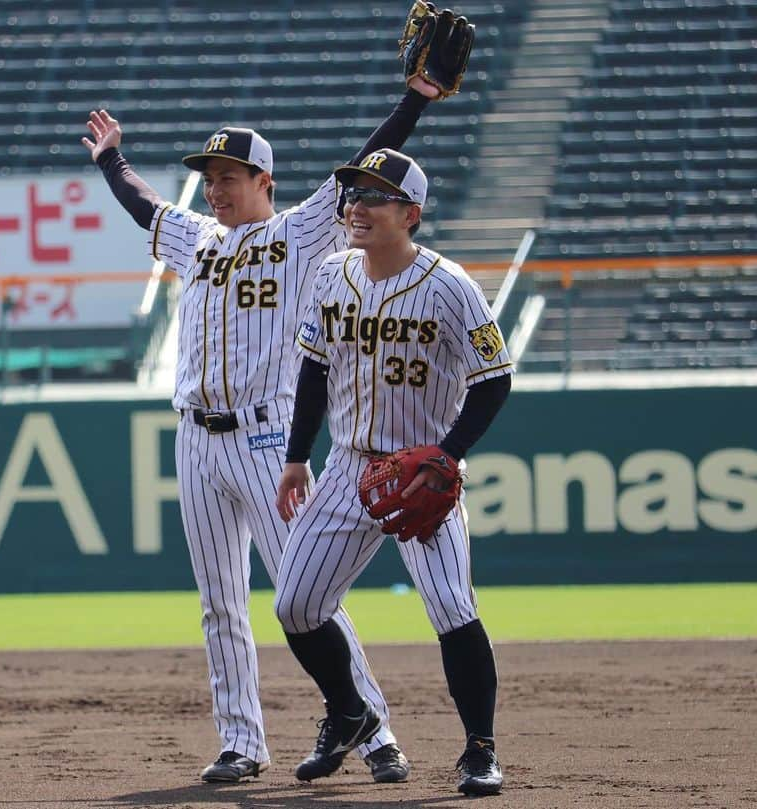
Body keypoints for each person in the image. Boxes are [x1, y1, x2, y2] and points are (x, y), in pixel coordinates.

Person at [83, 82, 448, 783]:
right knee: (219, 598)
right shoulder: (198, 239)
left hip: (266, 438)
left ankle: (375, 732)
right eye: (209, 179)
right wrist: (111, 159)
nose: (214, 189)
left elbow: (365, 160)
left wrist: (415, 102)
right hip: (195, 436)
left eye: (227, 177)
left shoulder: (300, 232)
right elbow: (144, 207)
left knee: (308, 591)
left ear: (263, 181)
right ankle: (241, 741)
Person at [273, 148, 512, 795]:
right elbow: (314, 370)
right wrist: (297, 455)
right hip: (349, 463)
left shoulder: (450, 285)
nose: (357, 207)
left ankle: (480, 750)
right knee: (295, 604)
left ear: (411, 212)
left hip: (422, 472)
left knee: (452, 606)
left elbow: (495, 378)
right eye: (353, 195)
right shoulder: (331, 274)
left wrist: (449, 452)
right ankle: (350, 710)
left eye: (375, 197)